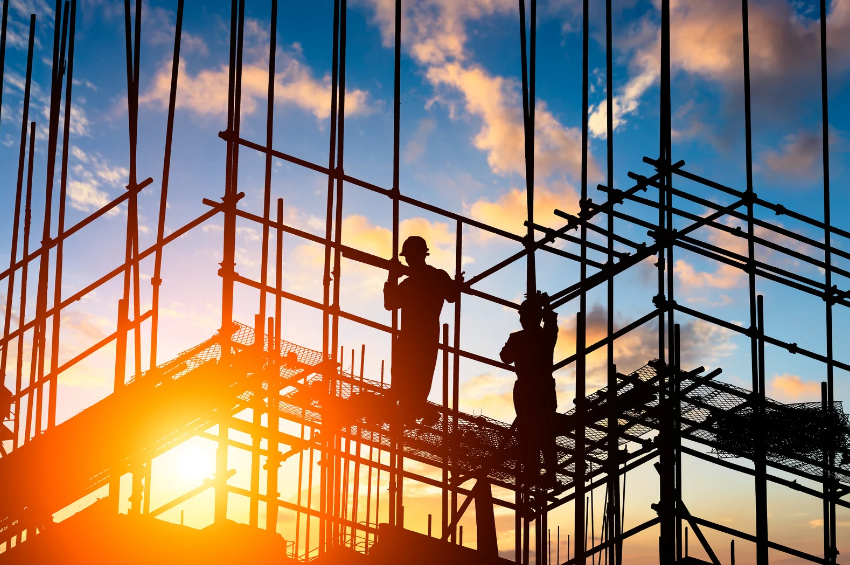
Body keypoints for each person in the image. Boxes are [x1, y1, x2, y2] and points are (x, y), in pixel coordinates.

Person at [384, 236, 459, 424]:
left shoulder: (413, 282)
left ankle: (407, 412)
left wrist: (392, 276)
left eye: (410, 257)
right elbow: (452, 296)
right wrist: (455, 284)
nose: (409, 261)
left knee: (411, 376)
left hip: (415, 337)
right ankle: (409, 411)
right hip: (425, 337)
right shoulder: (436, 277)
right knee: (415, 376)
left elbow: (389, 303)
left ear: (417, 256)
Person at [499, 291, 559, 489]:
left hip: (530, 388)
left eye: (524, 316)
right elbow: (551, 323)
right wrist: (546, 307)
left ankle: (537, 472)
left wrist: (545, 308)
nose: (522, 320)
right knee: (542, 432)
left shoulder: (519, 338)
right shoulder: (544, 336)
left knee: (534, 432)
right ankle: (543, 472)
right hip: (540, 388)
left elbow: (505, 356)